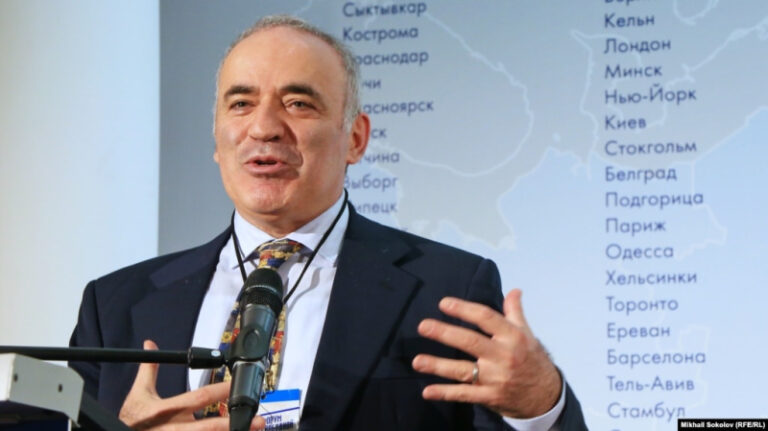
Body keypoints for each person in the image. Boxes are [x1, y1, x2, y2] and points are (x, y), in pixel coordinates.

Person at [69, 15, 587, 431]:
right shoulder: (114, 306)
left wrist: (542, 404)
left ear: (355, 139)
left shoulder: (447, 289)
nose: (264, 127)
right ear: (217, 138)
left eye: (298, 103)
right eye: (241, 103)